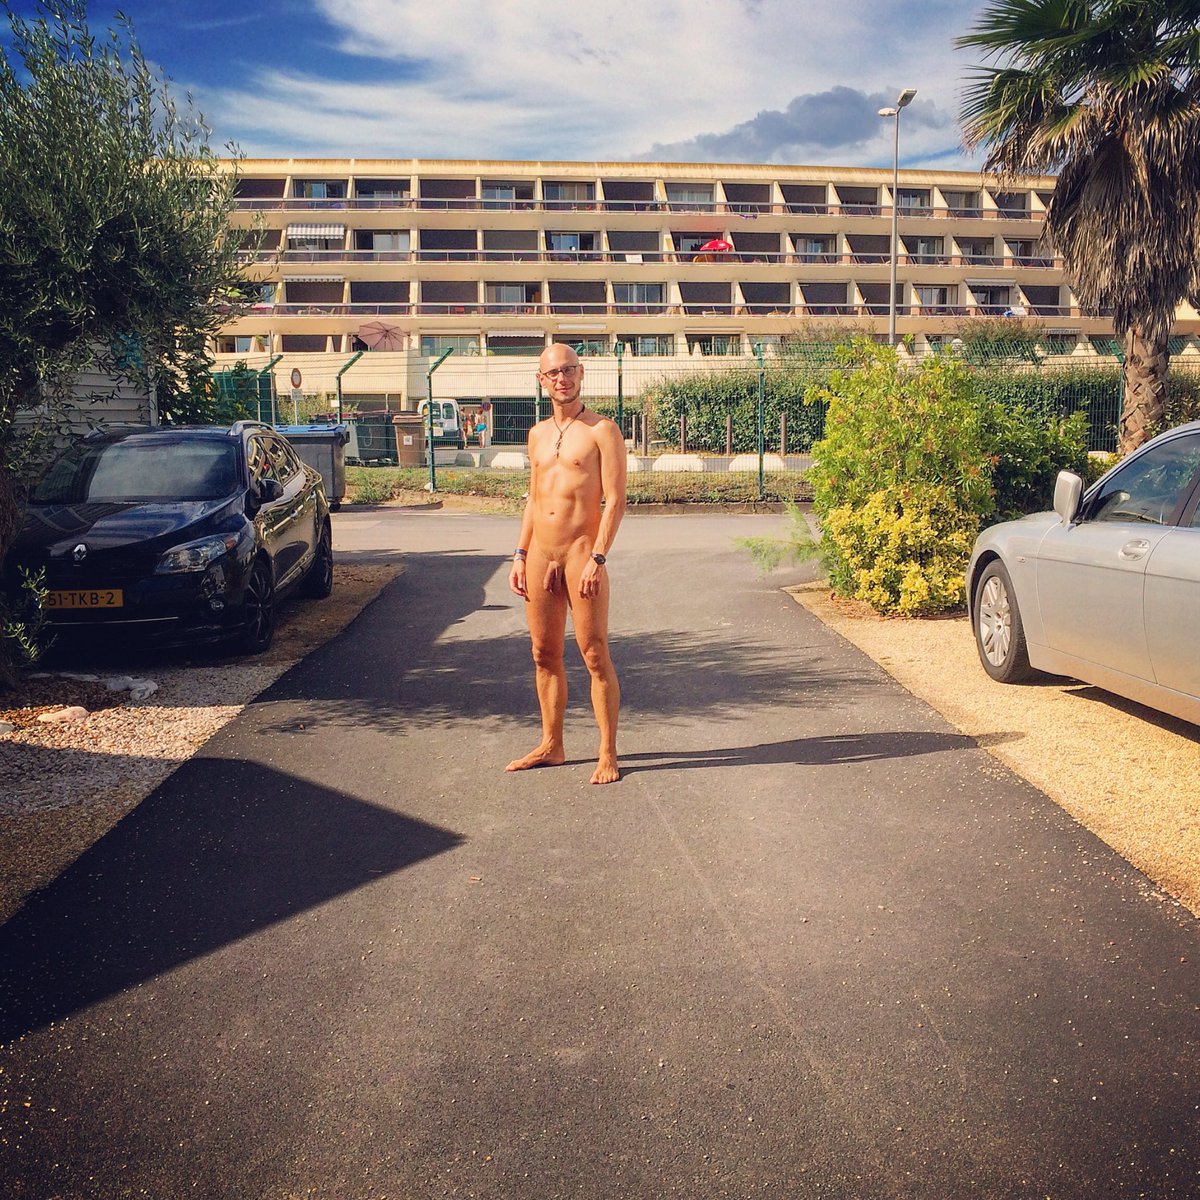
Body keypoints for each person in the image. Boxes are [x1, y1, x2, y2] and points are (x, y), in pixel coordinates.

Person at [507, 344, 627, 784]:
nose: (562, 378)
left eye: (569, 370)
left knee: (594, 654)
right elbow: (534, 499)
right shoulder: (536, 434)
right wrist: (520, 554)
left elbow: (615, 500)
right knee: (543, 653)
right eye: (554, 372)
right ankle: (551, 745)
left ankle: (607, 752)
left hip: (582, 554)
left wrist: (598, 556)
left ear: (581, 373)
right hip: (541, 554)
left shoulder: (602, 431)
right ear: (542, 380)